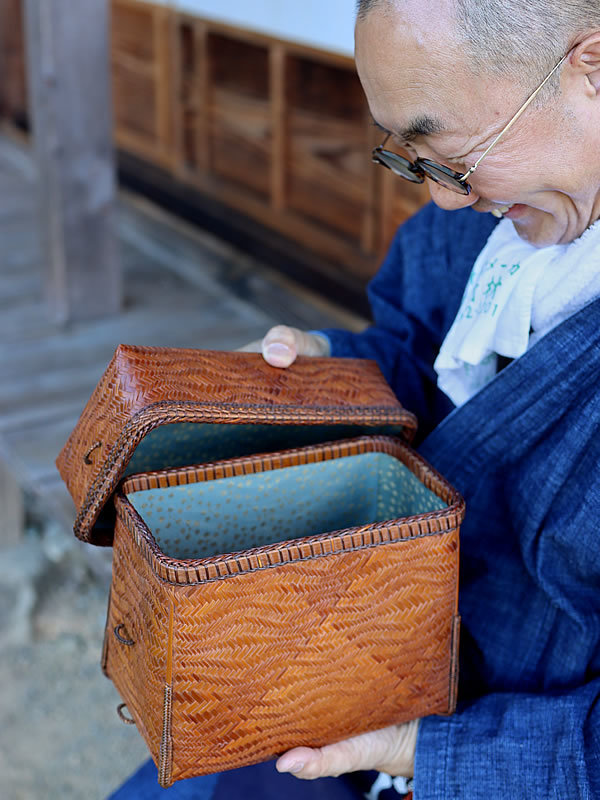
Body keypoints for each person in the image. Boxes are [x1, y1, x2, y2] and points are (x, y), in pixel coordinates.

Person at [111, 1, 600, 797]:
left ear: (591, 67)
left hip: (510, 754)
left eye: (452, 152)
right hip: (354, 653)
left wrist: (421, 750)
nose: (442, 199)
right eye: (413, 156)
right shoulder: (476, 219)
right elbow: (417, 357)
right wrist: (329, 367)